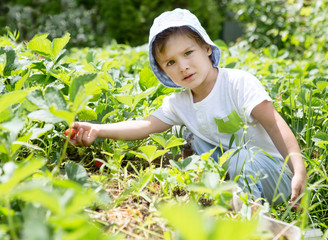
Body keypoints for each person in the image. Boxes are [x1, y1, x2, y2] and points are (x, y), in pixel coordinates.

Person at [70, 8, 306, 206]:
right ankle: (215, 194)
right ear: (163, 71)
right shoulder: (180, 103)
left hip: (277, 177)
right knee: (190, 137)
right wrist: (98, 130)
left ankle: (247, 214)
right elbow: (144, 125)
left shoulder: (237, 83)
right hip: (234, 169)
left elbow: (275, 125)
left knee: (238, 157)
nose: (183, 66)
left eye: (188, 53)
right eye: (171, 62)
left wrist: (298, 169)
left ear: (206, 48)